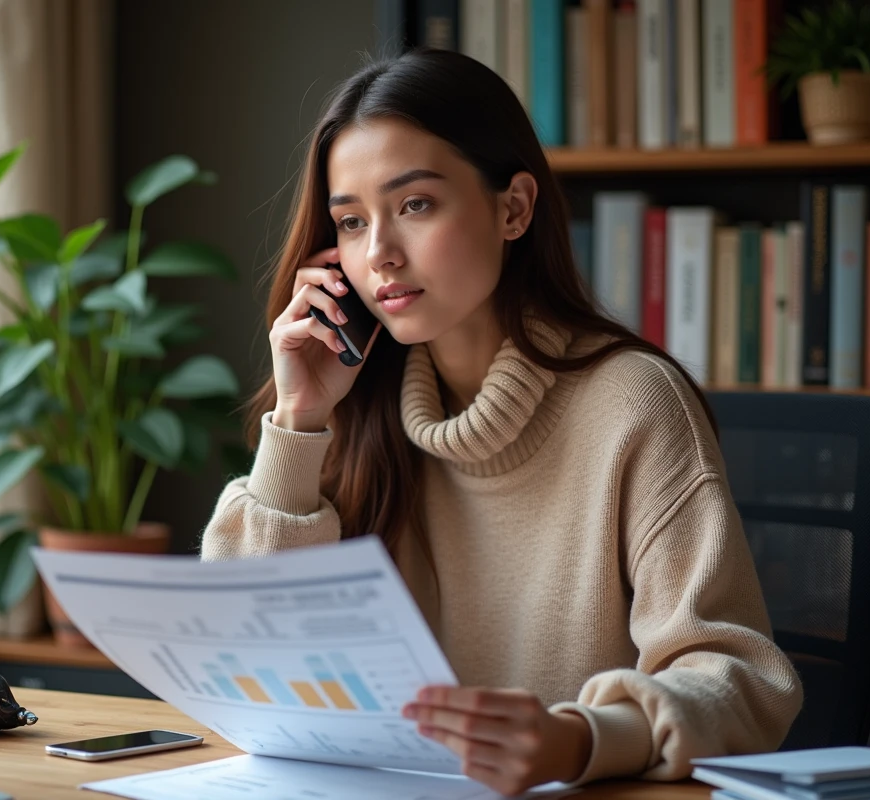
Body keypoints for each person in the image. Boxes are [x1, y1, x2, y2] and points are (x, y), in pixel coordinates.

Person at [200, 47, 801, 796]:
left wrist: (581, 738)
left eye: (415, 204)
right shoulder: (350, 411)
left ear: (513, 207)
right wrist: (298, 420)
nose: (379, 254)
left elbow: (742, 682)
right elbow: (242, 663)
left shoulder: (633, 405)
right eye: (350, 222)